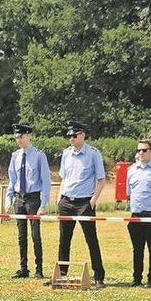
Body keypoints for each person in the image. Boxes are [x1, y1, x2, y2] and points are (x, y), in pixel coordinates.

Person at [58, 121, 106, 288]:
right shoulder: (66, 154)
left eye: (74, 135)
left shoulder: (93, 154)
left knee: (91, 239)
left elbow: (101, 179)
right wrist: (59, 199)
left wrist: (92, 201)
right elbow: (63, 178)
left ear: (83, 134)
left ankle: (99, 276)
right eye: (69, 136)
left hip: (84, 203)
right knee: (64, 239)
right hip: (66, 201)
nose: (71, 138)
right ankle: (61, 274)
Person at [5, 123, 51, 279]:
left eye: (21, 136)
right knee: (21, 235)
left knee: (35, 235)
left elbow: (45, 181)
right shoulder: (15, 156)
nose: (18, 139)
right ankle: (23, 268)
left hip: (33, 199)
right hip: (19, 199)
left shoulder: (39, 155)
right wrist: (8, 198)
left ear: (29, 135)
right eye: (16, 137)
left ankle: (39, 269)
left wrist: (44, 204)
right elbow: (12, 179)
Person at [126, 139, 151, 288]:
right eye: (138, 150)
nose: (140, 153)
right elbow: (129, 193)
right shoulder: (131, 170)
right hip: (136, 214)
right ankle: (136, 278)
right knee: (137, 249)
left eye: (144, 150)